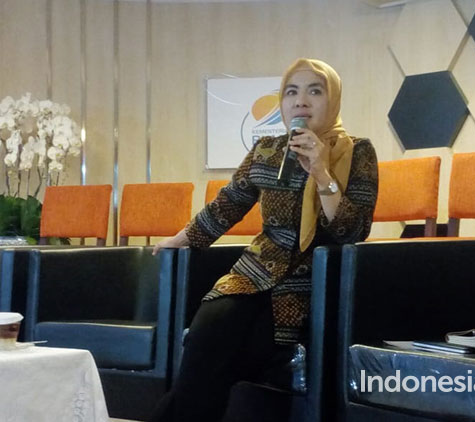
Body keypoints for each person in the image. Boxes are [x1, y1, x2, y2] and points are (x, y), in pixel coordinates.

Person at [150, 58, 378, 422]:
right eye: (291, 92)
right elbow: (227, 205)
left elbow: (353, 231)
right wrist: (179, 240)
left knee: (230, 359)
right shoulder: (267, 150)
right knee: (205, 335)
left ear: (332, 100)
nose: (301, 101)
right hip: (252, 274)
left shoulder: (357, 152)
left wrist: (321, 172)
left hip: (313, 283)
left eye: (314, 91)